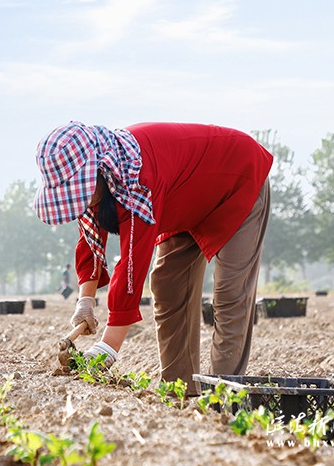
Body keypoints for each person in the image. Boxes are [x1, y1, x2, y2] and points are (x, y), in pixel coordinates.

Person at [33, 121, 272, 394]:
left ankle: (224, 397)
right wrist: (85, 299)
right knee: (167, 284)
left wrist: (107, 347)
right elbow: (90, 237)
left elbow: (132, 263)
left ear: (97, 171)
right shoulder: (102, 181)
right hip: (186, 198)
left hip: (237, 178)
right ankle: (180, 390)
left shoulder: (136, 179)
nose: (81, 200)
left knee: (230, 293)